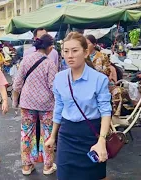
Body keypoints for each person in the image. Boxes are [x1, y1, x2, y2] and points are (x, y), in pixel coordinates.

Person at [45, 32, 112, 180]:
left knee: (94, 176)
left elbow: (106, 111)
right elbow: (59, 107)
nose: (70, 55)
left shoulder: (99, 79)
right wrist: (52, 136)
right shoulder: (59, 78)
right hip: (67, 134)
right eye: (66, 51)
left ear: (86, 52)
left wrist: (101, 141)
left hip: (91, 135)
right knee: (64, 175)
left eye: (75, 51)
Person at [13, 34, 58, 176]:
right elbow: (53, 86)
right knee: (48, 134)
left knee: (26, 134)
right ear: (50, 48)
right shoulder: (50, 63)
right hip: (46, 105)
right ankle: (47, 166)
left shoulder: (26, 60)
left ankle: (27, 166)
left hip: (27, 103)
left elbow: (17, 82)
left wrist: (15, 101)